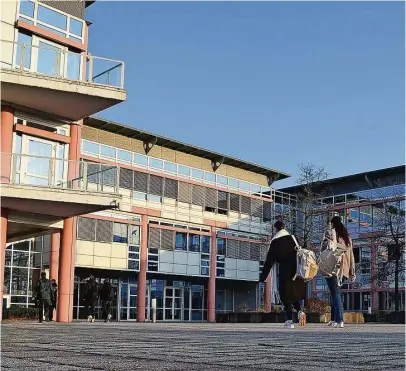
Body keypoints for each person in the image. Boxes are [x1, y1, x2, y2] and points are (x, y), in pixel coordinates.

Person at [259, 220, 305, 329]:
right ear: (284, 228)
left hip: (285, 271)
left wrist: (262, 277)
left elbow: (269, 262)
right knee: (294, 293)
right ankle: (299, 311)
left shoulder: (275, 242)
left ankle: (289, 321)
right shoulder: (294, 238)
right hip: (297, 270)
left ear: (276, 229)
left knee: (285, 295)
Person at [324, 216, 356, 328]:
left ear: (332, 224)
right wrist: (352, 272)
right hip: (345, 271)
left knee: (335, 293)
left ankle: (339, 319)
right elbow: (351, 256)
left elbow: (326, 250)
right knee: (334, 293)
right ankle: (333, 319)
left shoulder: (330, 234)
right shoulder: (348, 239)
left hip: (333, 268)